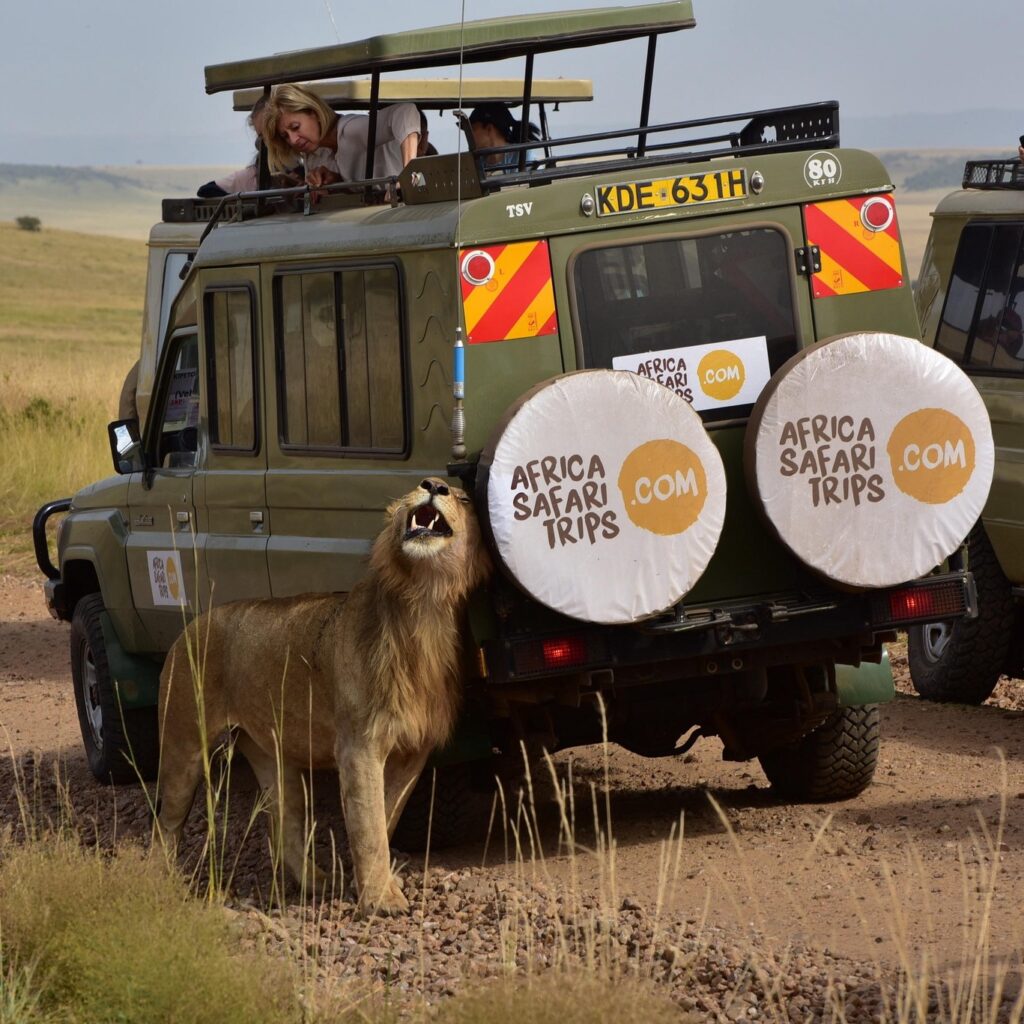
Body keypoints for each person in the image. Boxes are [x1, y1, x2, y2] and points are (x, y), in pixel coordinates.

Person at [261, 83, 420, 189]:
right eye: (286, 136)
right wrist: (333, 181)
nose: (294, 139)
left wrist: (408, 175)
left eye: (295, 127)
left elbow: (406, 112)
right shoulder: (314, 155)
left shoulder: (351, 129)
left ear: (314, 113)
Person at [196, 96, 301, 198]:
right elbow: (206, 190)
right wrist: (249, 199)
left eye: (273, 132)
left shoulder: (308, 164)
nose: (269, 141)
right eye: (262, 137)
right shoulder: (253, 175)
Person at [468, 103, 540, 172]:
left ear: (489, 129)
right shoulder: (476, 161)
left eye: (473, 129)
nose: (468, 135)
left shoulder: (523, 156)